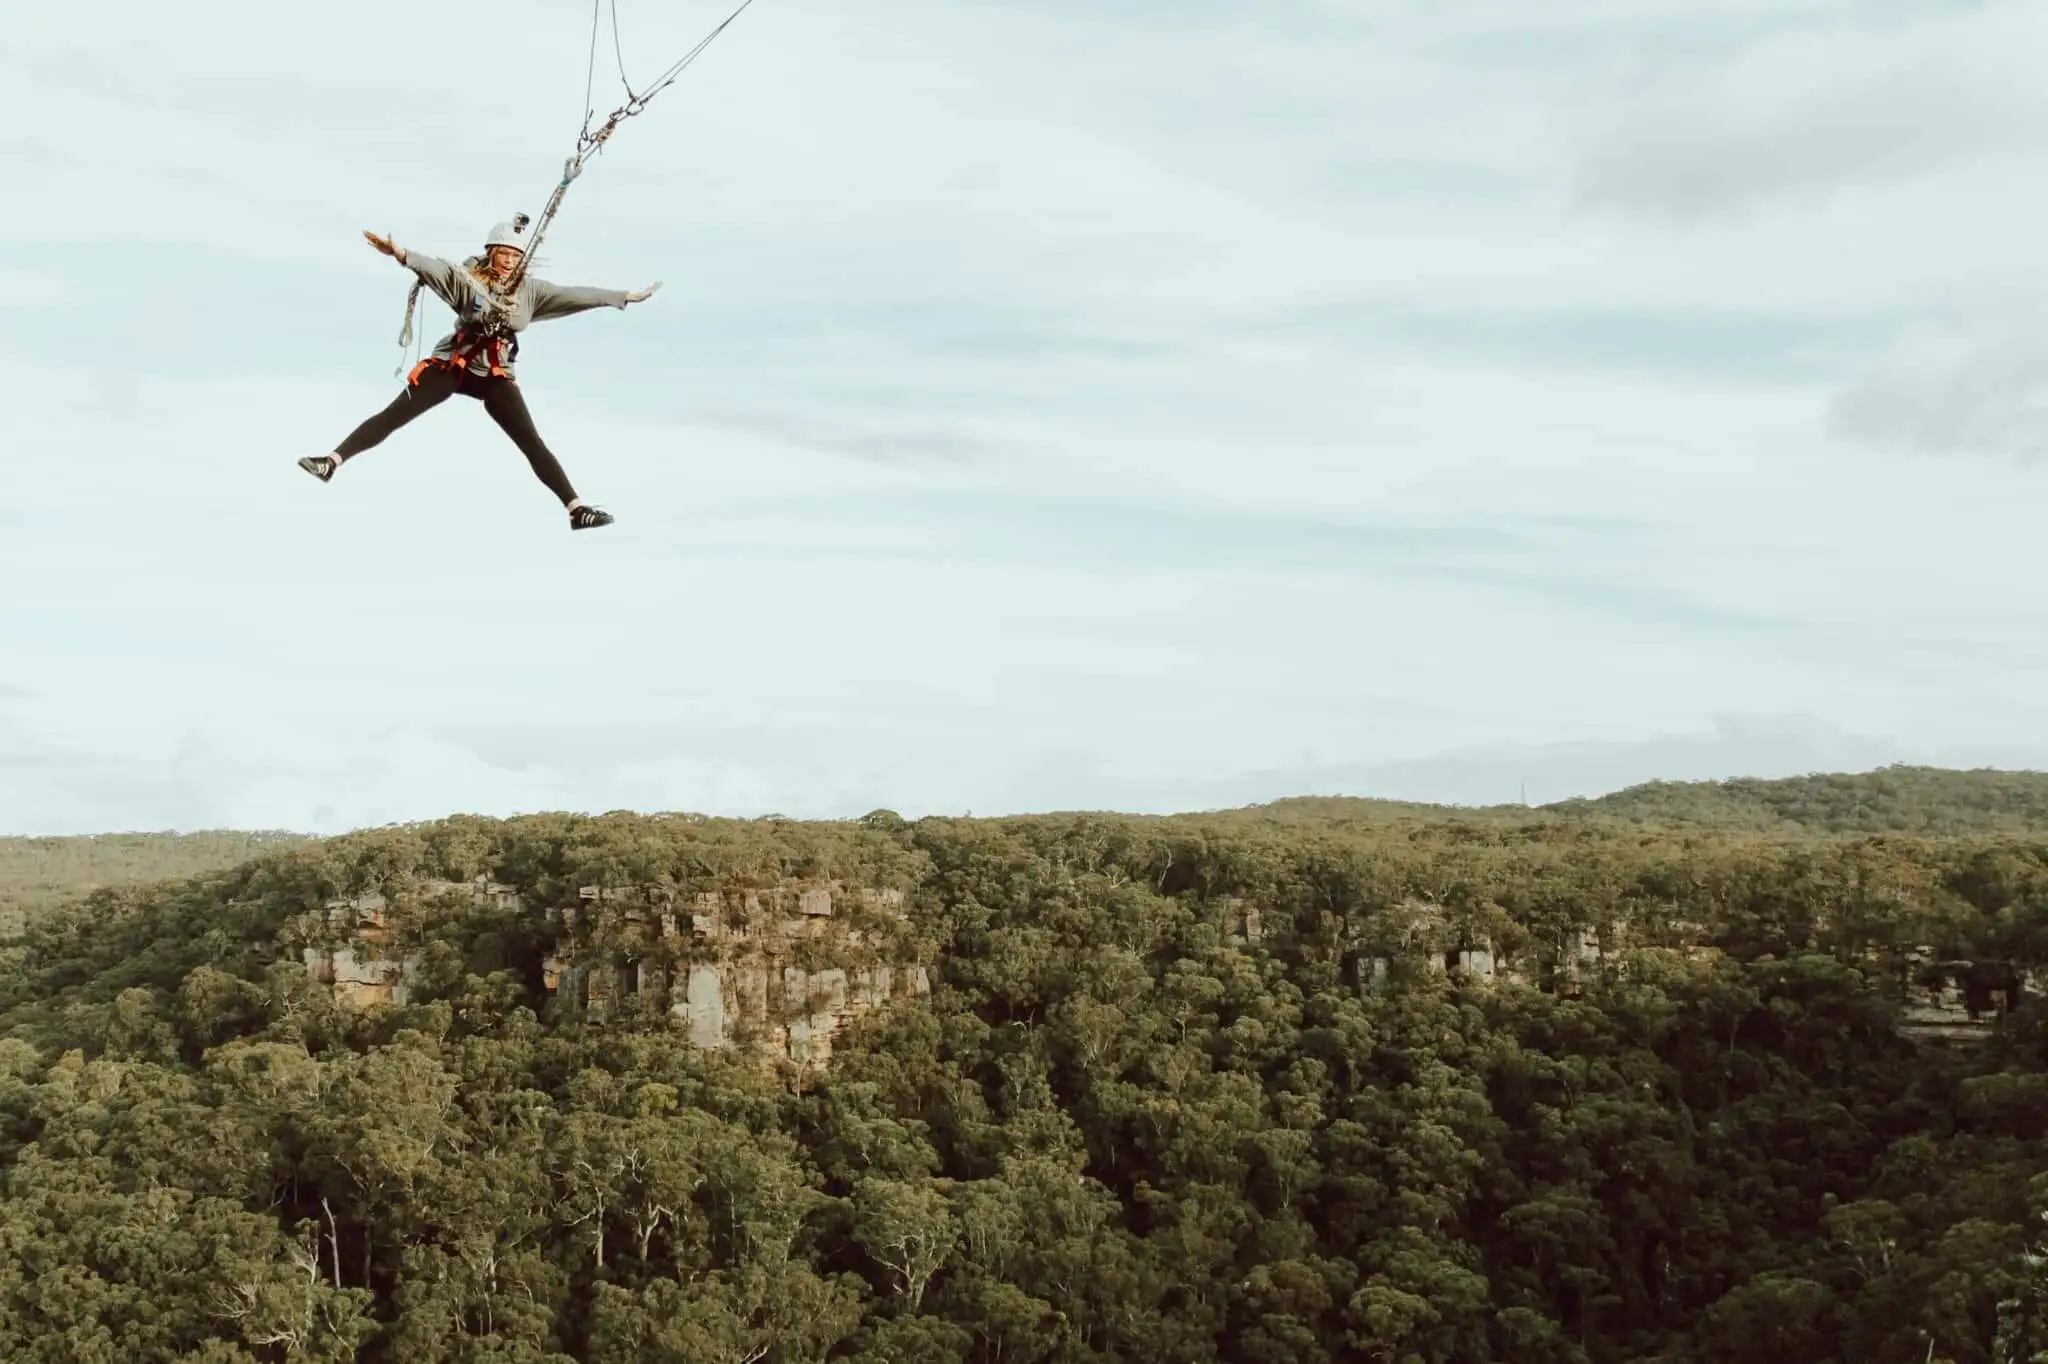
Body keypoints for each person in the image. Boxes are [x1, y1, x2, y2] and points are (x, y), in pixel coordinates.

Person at [299, 219, 658, 530]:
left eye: (516, 256)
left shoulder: (529, 291)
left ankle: (576, 509)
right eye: (504, 254)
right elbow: (437, 271)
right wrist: (403, 255)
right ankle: (331, 461)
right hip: (455, 364)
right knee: (395, 415)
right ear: (491, 252)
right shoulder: (468, 279)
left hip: (494, 373)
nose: (509, 261)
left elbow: (575, 294)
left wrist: (622, 296)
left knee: (530, 440)